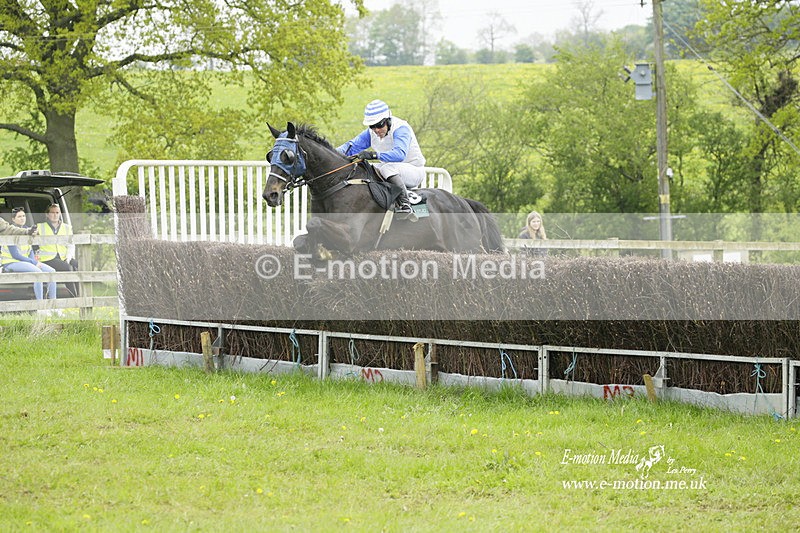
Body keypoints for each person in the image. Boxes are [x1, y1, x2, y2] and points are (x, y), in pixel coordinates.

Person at [337, 99, 426, 217]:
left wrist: (373, 155)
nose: (376, 130)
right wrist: (328, 153)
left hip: (414, 171)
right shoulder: (371, 133)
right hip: (393, 170)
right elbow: (350, 147)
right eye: (372, 126)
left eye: (379, 125)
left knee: (387, 168)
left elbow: (399, 154)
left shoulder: (401, 128)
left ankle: (406, 204)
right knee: (365, 168)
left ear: (388, 119)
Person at [0, 207, 56, 301]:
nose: (22, 218)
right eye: (19, 216)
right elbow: (15, 255)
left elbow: (30, 250)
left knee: (52, 272)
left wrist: (34, 261)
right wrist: (33, 263)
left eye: (23, 216)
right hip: (11, 262)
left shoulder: (27, 230)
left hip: (26, 262)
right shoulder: (11, 232)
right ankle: (40, 305)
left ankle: (54, 305)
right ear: (13, 219)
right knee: (38, 273)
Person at [36, 204, 78, 297]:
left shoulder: (67, 228)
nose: (55, 215)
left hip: (64, 257)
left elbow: (71, 245)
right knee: (67, 268)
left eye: (57, 213)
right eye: (52, 213)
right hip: (47, 258)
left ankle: (82, 296)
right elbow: (35, 245)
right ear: (47, 215)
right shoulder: (40, 227)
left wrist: (69, 258)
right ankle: (74, 297)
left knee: (78, 266)